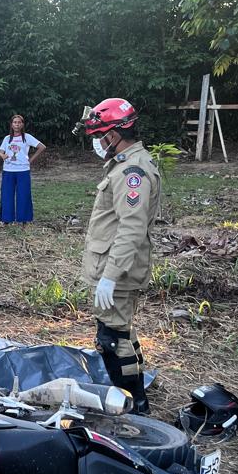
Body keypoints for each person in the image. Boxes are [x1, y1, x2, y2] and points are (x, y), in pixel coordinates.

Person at [79, 98, 161, 413]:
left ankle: (133, 405)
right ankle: (135, 397)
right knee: (121, 330)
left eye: (100, 136)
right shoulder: (126, 164)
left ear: (114, 134)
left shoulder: (132, 172)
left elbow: (132, 229)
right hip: (114, 267)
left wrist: (110, 277)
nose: (98, 143)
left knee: (113, 339)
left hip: (119, 271)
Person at [0, 114, 45, 224]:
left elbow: (41, 147)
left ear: (22, 124)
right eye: (15, 122)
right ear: (11, 124)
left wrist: (30, 160)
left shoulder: (27, 137)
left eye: (19, 122)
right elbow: (0, 151)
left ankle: (24, 219)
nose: (17, 124)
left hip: (23, 170)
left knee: (24, 194)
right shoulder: (7, 138)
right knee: (7, 194)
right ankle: (6, 219)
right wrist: (2, 155)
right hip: (8, 170)